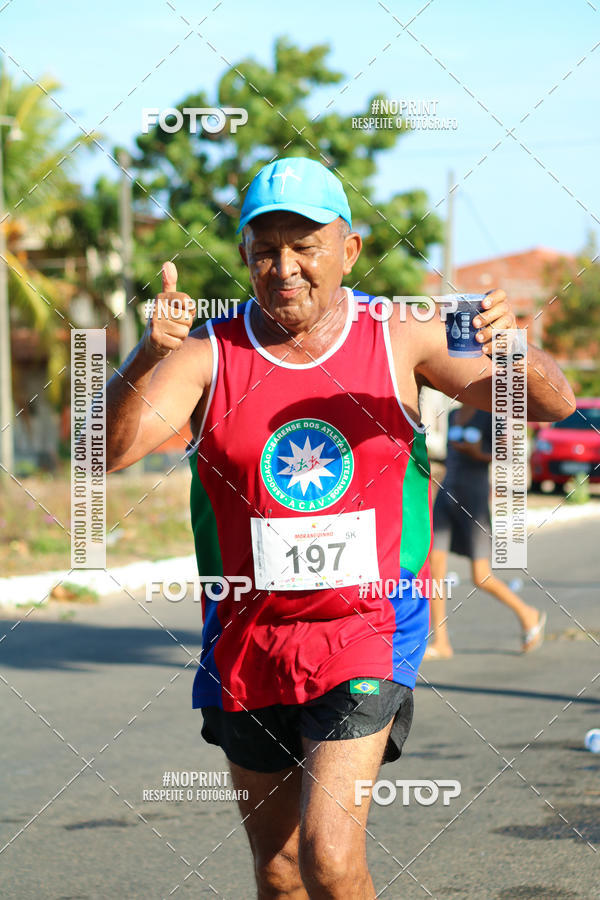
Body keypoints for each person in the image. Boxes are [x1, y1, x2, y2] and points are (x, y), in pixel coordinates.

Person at [106, 156, 574, 899]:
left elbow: (546, 403)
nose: (284, 267)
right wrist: (146, 355)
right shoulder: (209, 352)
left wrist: (513, 344)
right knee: (281, 871)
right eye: (266, 248)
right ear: (245, 256)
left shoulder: (404, 334)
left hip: (367, 626)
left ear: (349, 249)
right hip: (247, 637)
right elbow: (108, 452)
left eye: (304, 245)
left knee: (329, 854)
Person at [425, 403, 546, 661]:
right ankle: (442, 642)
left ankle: (527, 613)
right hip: (447, 493)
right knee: (434, 570)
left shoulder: (491, 414)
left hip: (474, 498)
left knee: (481, 576)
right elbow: (449, 456)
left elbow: (505, 456)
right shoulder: (452, 414)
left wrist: (477, 451)